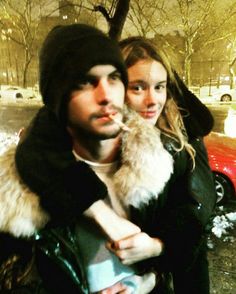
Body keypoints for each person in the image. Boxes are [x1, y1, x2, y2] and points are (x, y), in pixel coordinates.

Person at [2, 26, 216, 294]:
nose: (153, 100)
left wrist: (153, 265)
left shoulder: (166, 153)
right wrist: (99, 212)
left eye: (160, 87)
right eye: (137, 87)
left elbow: (191, 230)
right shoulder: (43, 163)